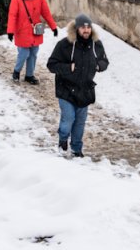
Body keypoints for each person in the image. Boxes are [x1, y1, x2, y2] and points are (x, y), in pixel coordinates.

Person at [46, 14, 109, 157]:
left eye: (88, 27)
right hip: (66, 88)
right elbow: (51, 65)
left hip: (85, 89)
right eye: (83, 27)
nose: (86, 30)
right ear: (76, 29)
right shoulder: (65, 44)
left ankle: (76, 148)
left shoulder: (95, 44)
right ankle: (63, 141)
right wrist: (69, 68)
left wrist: (99, 66)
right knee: (68, 119)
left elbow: (104, 61)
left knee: (80, 122)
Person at [6, 0, 57, 84]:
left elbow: (46, 13)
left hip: (35, 31)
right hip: (22, 31)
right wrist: (10, 31)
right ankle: (16, 71)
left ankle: (29, 75)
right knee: (24, 54)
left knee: (33, 54)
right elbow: (12, 15)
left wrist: (53, 27)